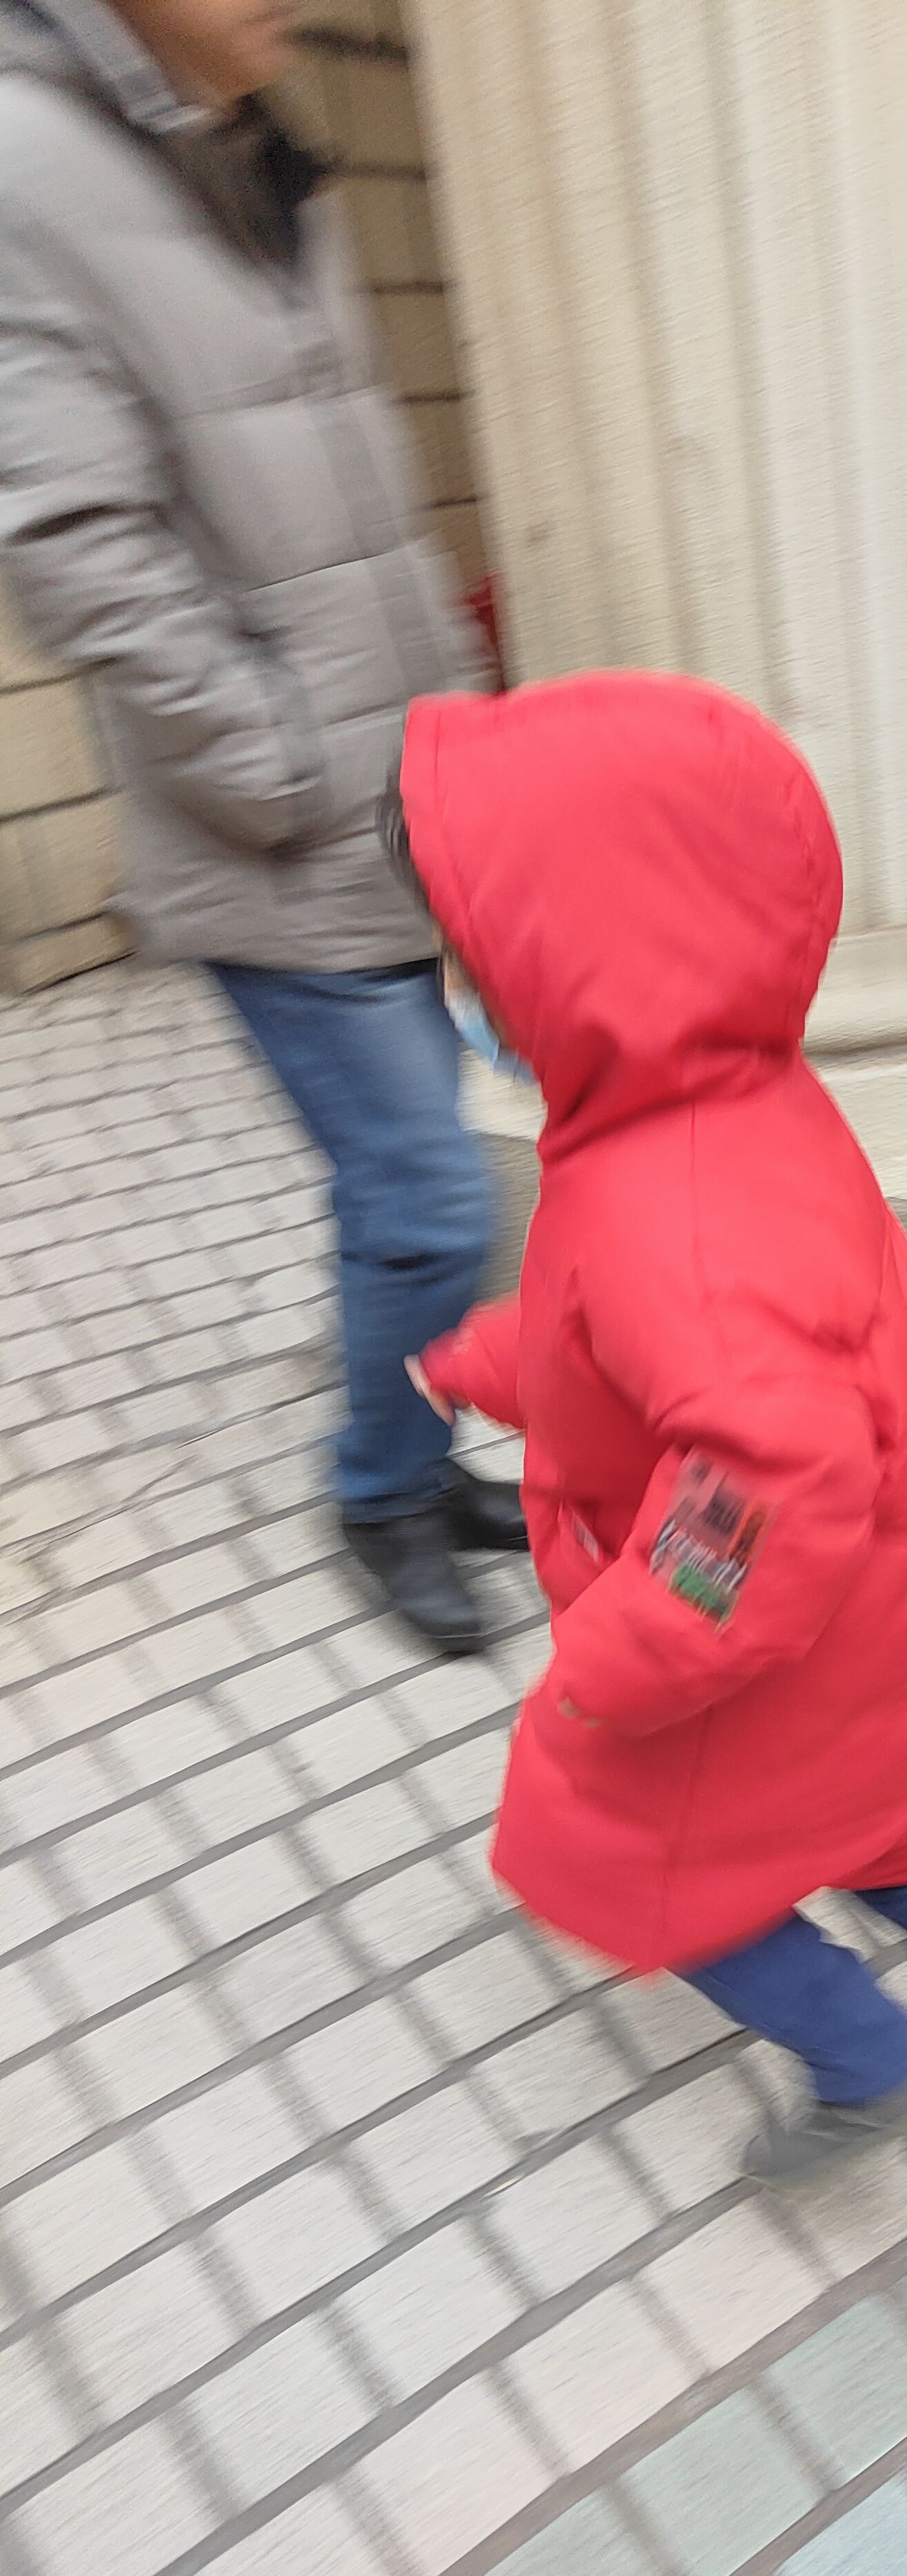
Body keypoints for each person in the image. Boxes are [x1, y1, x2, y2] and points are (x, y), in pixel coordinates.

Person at [398, 671, 907, 2183]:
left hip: (790, 1624)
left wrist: (622, 1658)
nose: (457, 984)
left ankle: (867, 2060)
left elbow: (761, 1474)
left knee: (609, 1848)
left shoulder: (669, 1205)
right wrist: (480, 1358)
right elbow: (627, 1354)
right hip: (903, 1579)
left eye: (473, 952)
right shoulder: (717, 1107)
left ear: (575, 960)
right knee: (902, 1827)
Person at [0, 0, 521, 1654]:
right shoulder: (28, 166)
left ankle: (417, 1457)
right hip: (276, 836)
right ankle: (379, 1493)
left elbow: (367, 503)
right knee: (429, 1196)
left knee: (407, 1181)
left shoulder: (256, 151)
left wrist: (449, 726)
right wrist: (277, 769)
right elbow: (76, 548)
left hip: (397, 799)